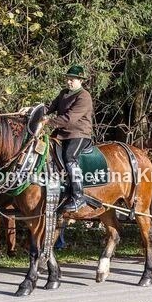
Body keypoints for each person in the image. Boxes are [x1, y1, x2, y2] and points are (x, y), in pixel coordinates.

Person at [44, 64, 95, 213]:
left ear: (81, 80)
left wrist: (48, 121)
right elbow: (49, 108)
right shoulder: (63, 93)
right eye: (68, 78)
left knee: (69, 157)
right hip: (62, 134)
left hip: (79, 134)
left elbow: (69, 119)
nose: (69, 82)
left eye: (72, 79)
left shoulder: (84, 96)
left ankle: (78, 197)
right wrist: (32, 111)